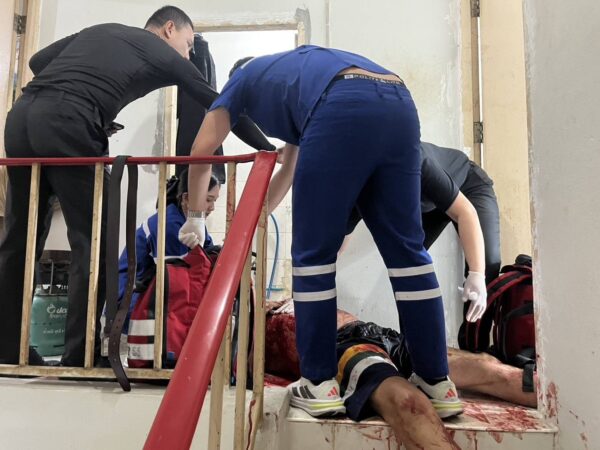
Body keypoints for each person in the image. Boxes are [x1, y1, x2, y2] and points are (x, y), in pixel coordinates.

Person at [179, 47, 481, 418]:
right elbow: (288, 171)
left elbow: (202, 148)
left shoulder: (241, 78)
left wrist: (195, 216)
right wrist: (250, 220)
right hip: (398, 102)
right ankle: (436, 381)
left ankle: (319, 383)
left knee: (313, 257)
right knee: (408, 256)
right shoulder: (294, 77)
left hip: (340, 103)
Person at [0, 6, 274, 367]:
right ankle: (78, 355)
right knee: (93, 239)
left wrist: (71, 94)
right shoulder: (159, 49)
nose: (189, 55)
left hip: (20, 118)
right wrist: (268, 148)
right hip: (69, 121)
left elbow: (37, 61)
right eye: (188, 44)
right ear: (169, 29)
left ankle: (8, 349)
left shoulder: (101, 28)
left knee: (19, 239)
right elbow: (218, 103)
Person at [265, 300, 537, 450]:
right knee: (409, 404)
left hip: (380, 334)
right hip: (343, 347)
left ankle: (561, 400)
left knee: (491, 367)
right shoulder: (254, 329)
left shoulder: (292, 296)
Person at [344, 141, 500, 321]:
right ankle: (413, 335)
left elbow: (465, 212)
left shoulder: (415, 160)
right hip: (429, 206)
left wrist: (477, 274)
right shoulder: (358, 187)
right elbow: (338, 240)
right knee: (406, 267)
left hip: (467, 185)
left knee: (487, 263)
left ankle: (475, 336)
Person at [110, 170, 220, 337]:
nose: (212, 207)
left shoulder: (192, 223)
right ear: (186, 198)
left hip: (150, 295)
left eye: (214, 201)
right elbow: (180, 282)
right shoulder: (169, 224)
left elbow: (209, 258)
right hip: (130, 302)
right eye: (208, 200)